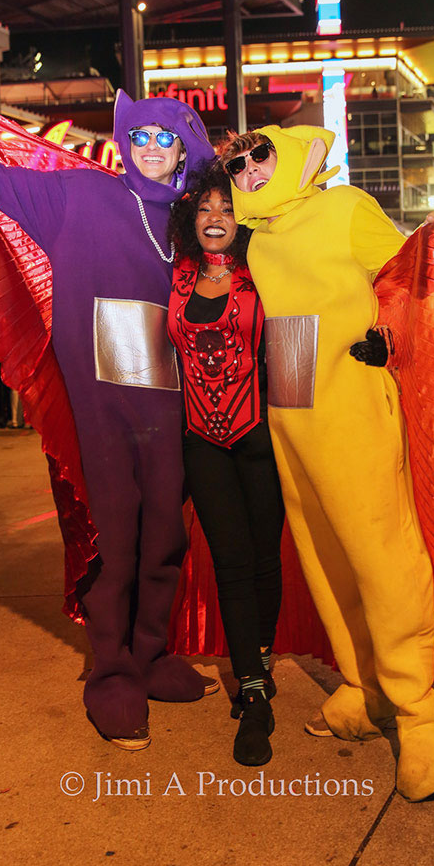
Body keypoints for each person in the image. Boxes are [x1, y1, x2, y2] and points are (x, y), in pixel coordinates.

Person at [0, 67, 217, 749]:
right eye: (141, 134)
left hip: (172, 399)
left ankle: (151, 654)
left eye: (165, 136)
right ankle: (113, 675)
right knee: (119, 538)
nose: (152, 145)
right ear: (127, 143)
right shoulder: (81, 193)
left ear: (183, 151)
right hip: (101, 399)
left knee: (167, 535)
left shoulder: (198, 225)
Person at [219, 125, 434, 802]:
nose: (248, 169)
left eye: (258, 153)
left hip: (351, 408)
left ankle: (419, 718)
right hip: (292, 411)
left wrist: (388, 338)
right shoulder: (257, 241)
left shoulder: (343, 206)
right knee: (324, 558)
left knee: (382, 558)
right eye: (235, 163)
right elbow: (287, 327)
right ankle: (364, 686)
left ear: (289, 151)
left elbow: (421, 278)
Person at [167, 161, 284, 766]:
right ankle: (255, 693)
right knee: (231, 563)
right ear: (192, 218)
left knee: (265, 560)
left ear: (244, 219)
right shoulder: (177, 276)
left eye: (227, 208)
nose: (215, 218)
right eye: (205, 209)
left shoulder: (266, 270)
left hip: (260, 435)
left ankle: (259, 662)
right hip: (200, 439)